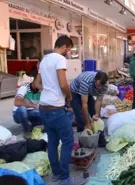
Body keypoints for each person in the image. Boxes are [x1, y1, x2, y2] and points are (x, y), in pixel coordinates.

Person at [35, 35, 85, 185]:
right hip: (55, 108)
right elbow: (64, 84)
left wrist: (48, 90)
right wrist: (68, 97)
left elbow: (36, 83)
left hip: (43, 107)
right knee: (68, 141)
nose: (68, 53)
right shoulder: (59, 59)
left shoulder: (44, 60)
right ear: (64, 46)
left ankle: (56, 174)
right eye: (68, 50)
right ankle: (64, 178)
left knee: (52, 141)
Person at [12, 72, 41, 138]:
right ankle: (26, 131)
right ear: (34, 81)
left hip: (32, 112)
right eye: (39, 83)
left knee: (45, 114)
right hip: (18, 113)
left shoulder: (40, 90)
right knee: (22, 109)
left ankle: (32, 125)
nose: (41, 85)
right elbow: (17, 102)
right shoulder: (24, 87)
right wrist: (32, 105)